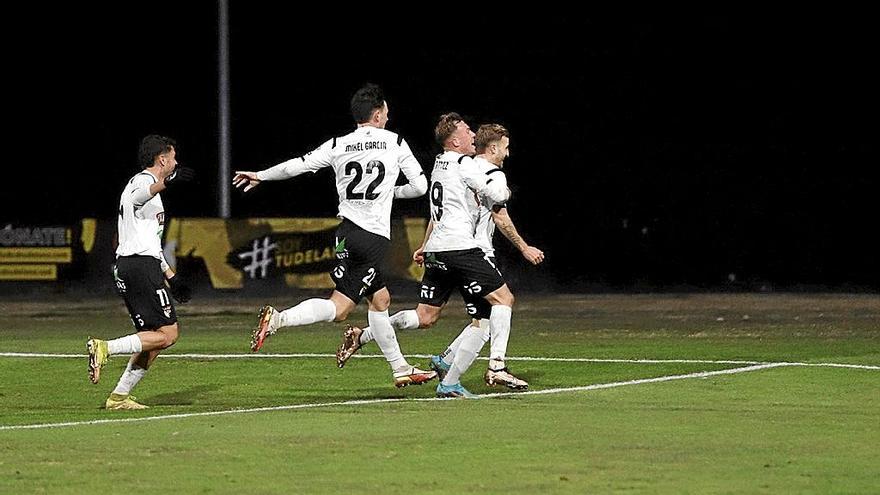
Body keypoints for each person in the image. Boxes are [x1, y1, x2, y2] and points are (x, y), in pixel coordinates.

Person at [232, 83, 435, 388]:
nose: (388, 117)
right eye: (387, 113)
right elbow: (420, 187)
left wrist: (261, 175)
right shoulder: (395, 142)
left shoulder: (339, 143)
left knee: (380, 299)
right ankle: (278, 319)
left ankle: (400, 368)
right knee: (340, 308)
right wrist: (389, 193)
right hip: (372, 238)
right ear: (378, 114)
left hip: (345, 232)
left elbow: (297, 166)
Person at [337, 123, 541, 393]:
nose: (508, 152)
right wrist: (524, 247)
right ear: (492, 148)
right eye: (505, 147)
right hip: (468, 252)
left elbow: (437, 212)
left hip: (439, 248)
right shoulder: (481, 169)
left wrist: (424, 245)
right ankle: (488, 370)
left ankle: (368, 336)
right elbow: (499, 211)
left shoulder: (443, 164)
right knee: (491, 313)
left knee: (426, 316)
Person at [87, 134, 195, 410]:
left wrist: (171, 276)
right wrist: (166, 182)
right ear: (162, 159)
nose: (176, 162)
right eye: (172, 157)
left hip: (136, 264)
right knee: (169, 334)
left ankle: (118, 397)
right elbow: (136, 198)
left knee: (152, 339)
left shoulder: (150, 189)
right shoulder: (142, 182)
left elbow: (150, 242)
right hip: (137, 266)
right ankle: (105, 348)